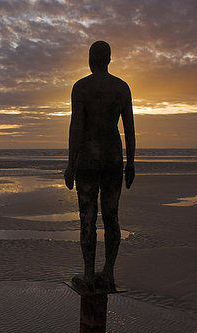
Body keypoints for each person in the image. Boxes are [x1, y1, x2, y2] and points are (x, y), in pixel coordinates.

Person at [64, 41, 135, 292]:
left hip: (89, 158)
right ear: (109, 59)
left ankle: (88, 274)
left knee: (88, 217)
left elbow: (77, 127)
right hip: (114, 157)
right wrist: (131, 162)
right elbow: (129, 128)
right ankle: (108, 272)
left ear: (90, 59)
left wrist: (71, 164)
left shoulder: (82, 87)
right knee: (111, 216)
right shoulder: (122, 87)